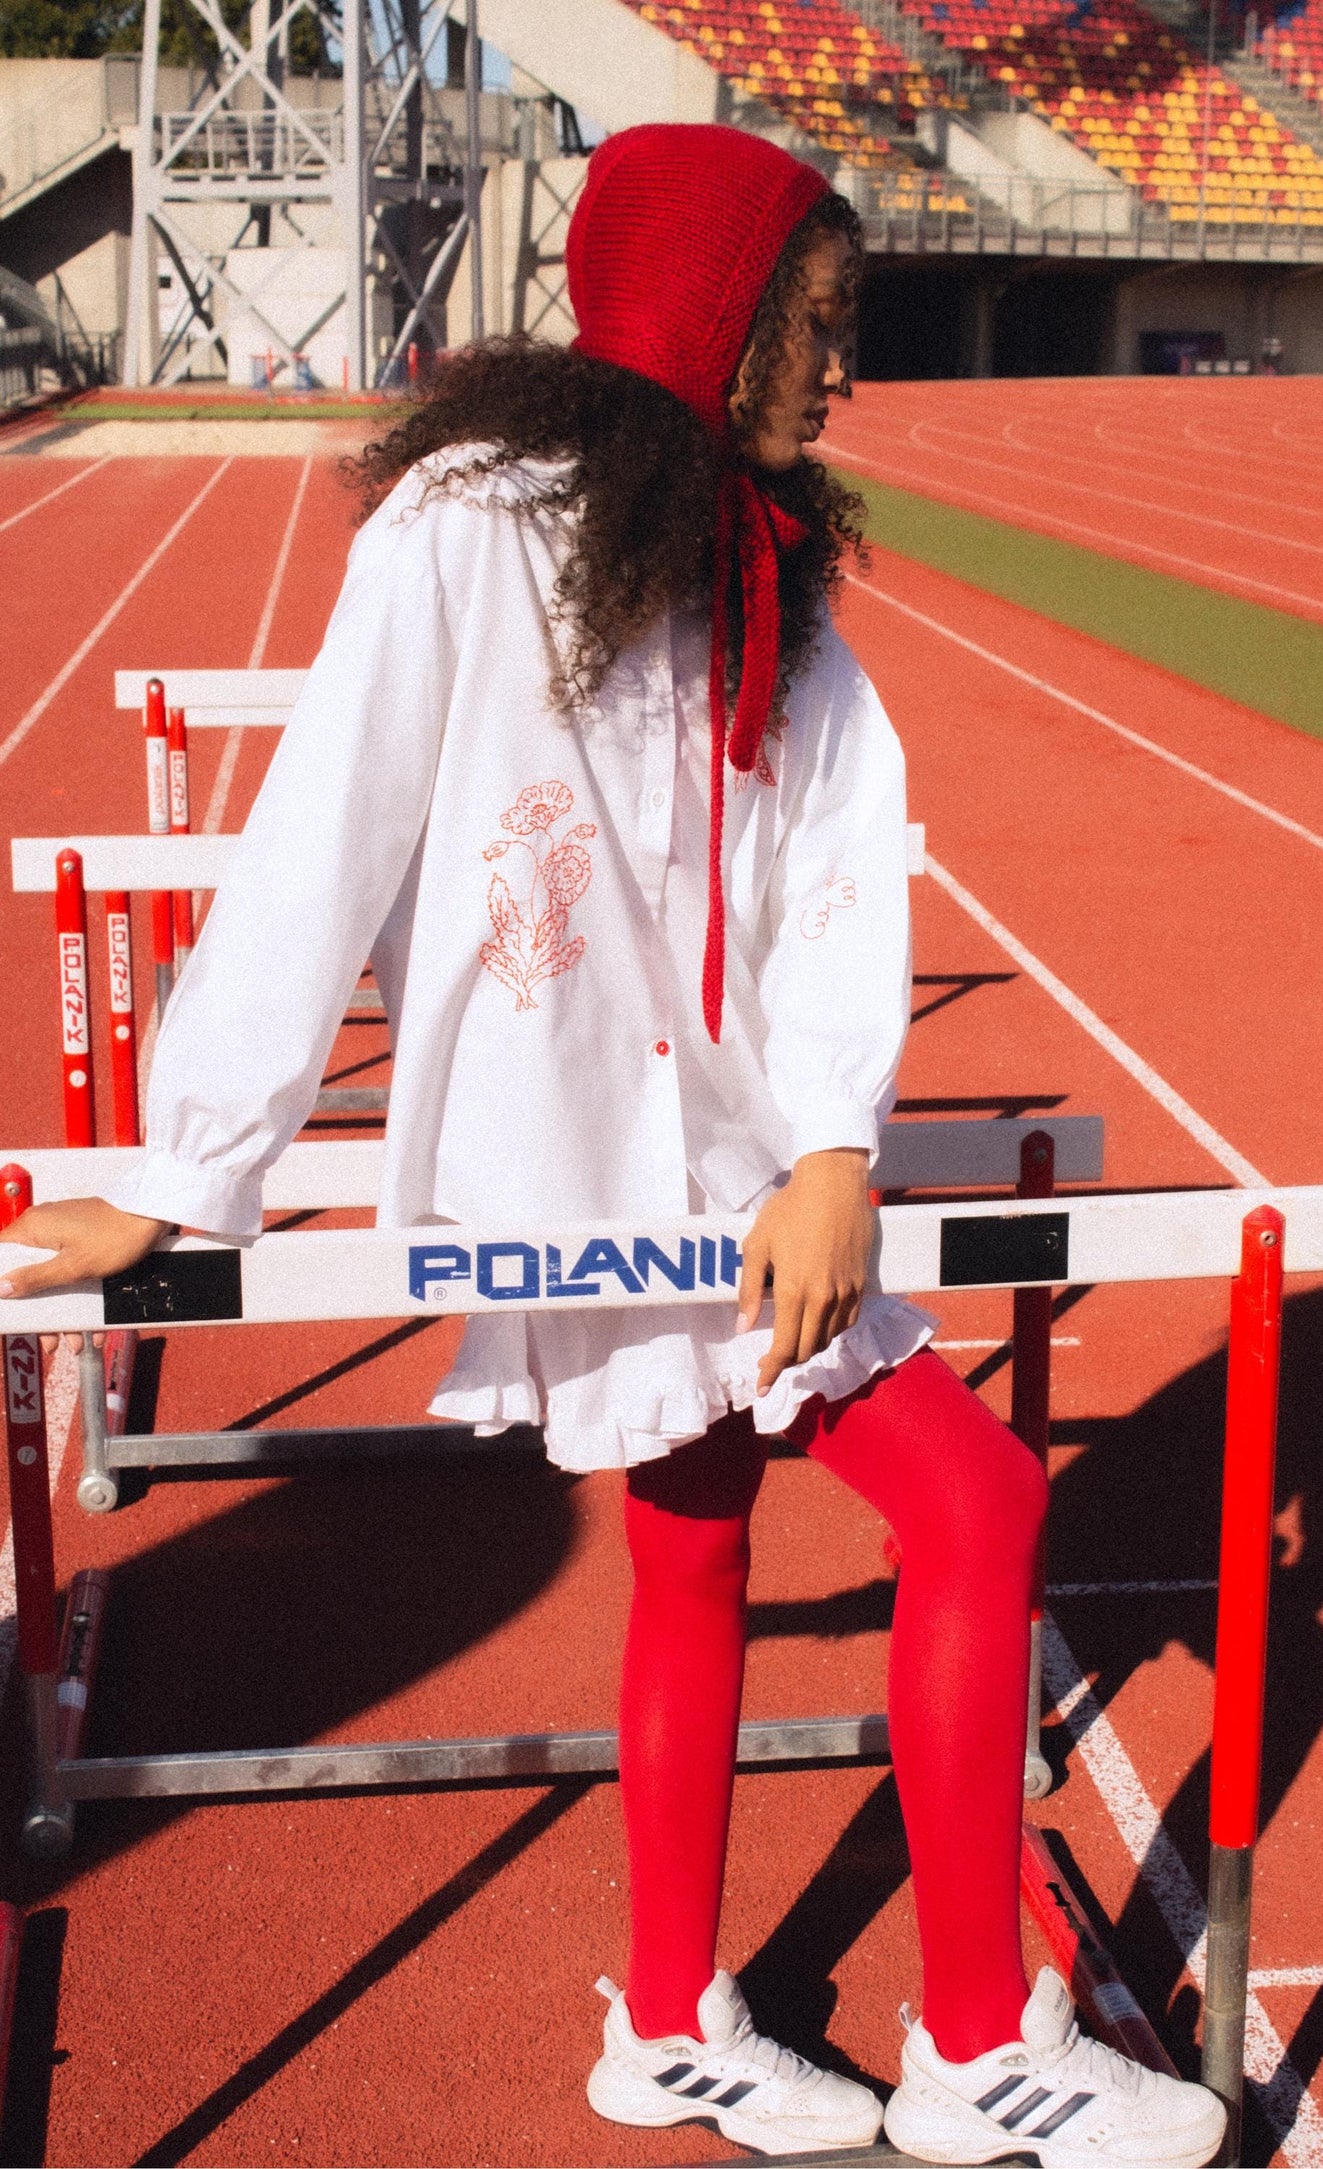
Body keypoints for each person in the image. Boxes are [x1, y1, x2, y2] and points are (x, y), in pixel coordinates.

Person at [0, 125, 1225, 2168]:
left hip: (745, 1167)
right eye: (822, 328)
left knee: (707, 1542)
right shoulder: (466, 526)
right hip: (574, 1159)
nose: (846, 374)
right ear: (716, 309)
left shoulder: (769, 561)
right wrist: (194, 1158)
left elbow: (838, 863)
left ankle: (668, 2023)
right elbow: (328, 828)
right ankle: (971, 2037)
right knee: (984, 1500)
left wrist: (837, 1142)